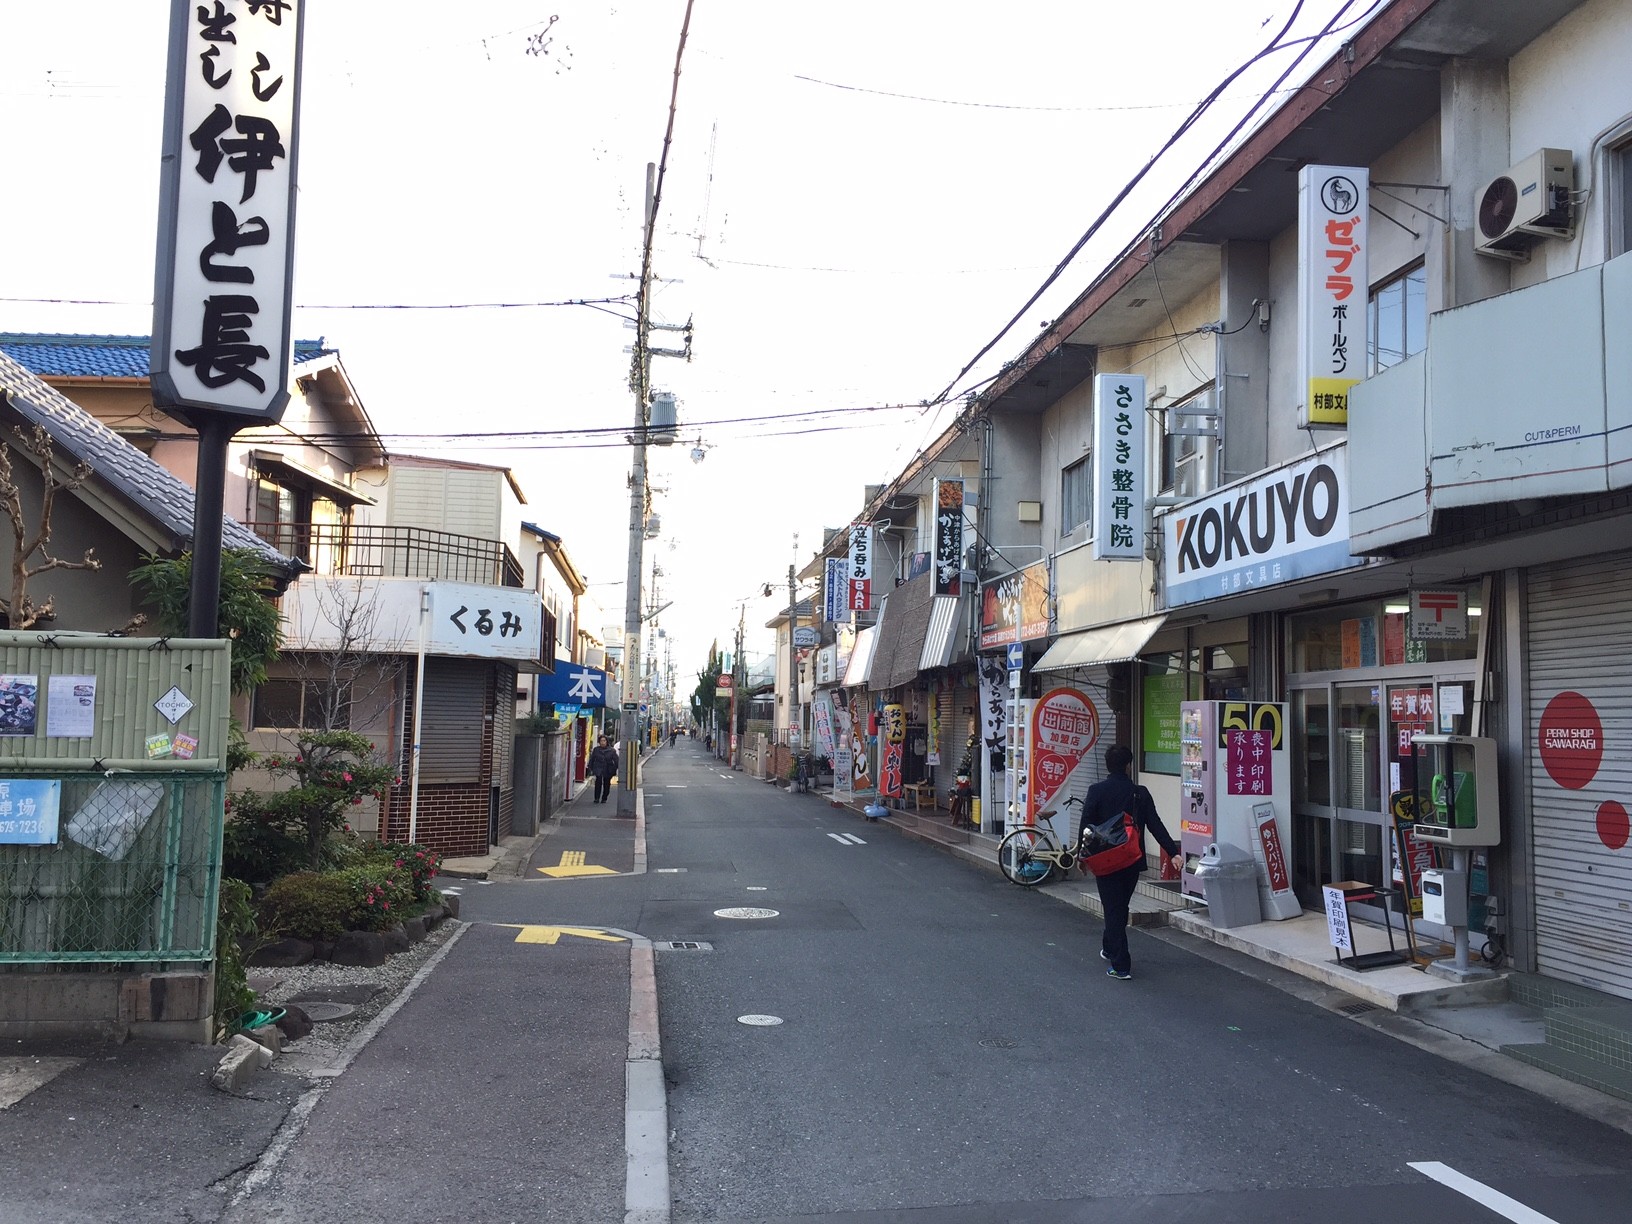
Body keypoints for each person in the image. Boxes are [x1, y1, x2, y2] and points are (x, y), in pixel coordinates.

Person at [1077, 743, 1182, 980]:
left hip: (1104, 860)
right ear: (1128, 766)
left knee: (1113, 908)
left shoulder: (1096, 791)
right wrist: (1172, 851)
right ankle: (1109, 947)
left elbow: (1086, 827)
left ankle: (1121, 965)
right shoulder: (1139, 793)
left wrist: (1081, 856)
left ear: (1108, 766)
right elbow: (1155, 824)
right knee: (1119, 906)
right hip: (1131, 859)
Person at [588, 734, 619, 804]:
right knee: (598, 782)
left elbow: (616, 761)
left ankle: (604, 797)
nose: (602, 742)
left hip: (608, 769)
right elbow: (592, 759)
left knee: (606, 783)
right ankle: (596, 798)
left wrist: (614, 769)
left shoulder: (612, 750)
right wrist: (591, 768)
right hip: (598, 768)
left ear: (607, 741)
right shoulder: (596, 750)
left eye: (604, 741)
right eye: (601, 741)